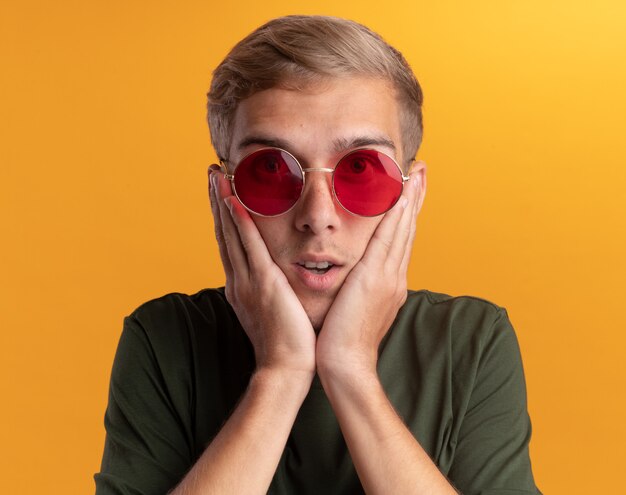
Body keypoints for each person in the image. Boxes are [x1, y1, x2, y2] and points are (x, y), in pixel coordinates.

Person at [95, 15, 541, 495]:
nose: (318, 216)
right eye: (270, 167)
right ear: (222, 192)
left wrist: (350, 368)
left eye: (360, 168)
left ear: (412, 195)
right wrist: (279, 374)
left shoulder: (471, 342)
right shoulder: (166, 340)